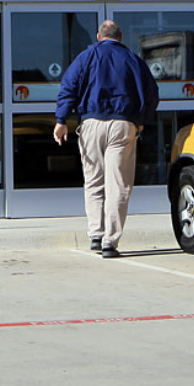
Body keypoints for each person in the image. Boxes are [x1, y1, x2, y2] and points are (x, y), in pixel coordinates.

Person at [54, 19, 158, 257]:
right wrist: (141, 120)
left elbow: (68, 86)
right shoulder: (134, 60)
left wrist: (61, 120)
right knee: (118, 184)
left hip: (91, 122)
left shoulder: (86, 56)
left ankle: (95, 235)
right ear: (120, 38)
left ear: (99, 37)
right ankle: (110, 242)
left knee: (93, 182)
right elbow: (152, 93)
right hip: (123, 123)